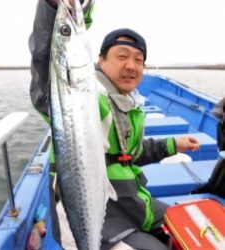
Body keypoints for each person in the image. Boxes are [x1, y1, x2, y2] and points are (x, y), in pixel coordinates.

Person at [29, 1, 200, 249]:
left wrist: (174, 144)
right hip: (97, 218)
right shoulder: (89, 96)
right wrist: (55, 9)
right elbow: (46, 66)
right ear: (99, 59)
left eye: (139, 60)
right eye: (121, 56)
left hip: (133, 203)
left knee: (193, 226)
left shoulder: (129, 104)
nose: (131, 65)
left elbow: (131, 154)